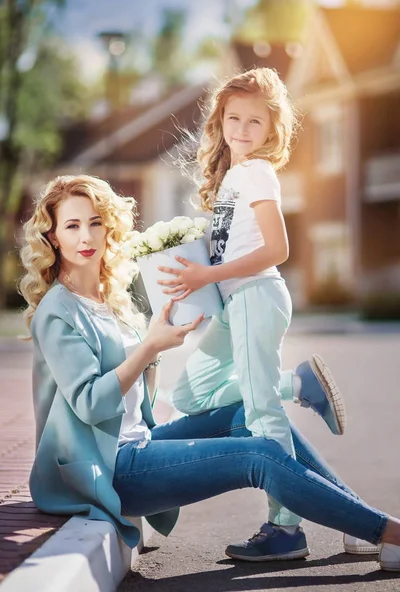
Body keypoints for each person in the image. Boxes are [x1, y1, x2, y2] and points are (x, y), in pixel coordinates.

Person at [18, 174, 400, 572]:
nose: (87, 236)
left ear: (108, 227)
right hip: (107, 468)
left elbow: (136, 400)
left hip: (136, 443)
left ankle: (359, 523)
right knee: (261, 455)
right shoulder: (57, 312)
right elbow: (91, 404)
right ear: (54, 237)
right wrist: (149, 346)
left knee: (249, 417)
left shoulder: (107, 299)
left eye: (95, 222)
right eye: (73, 225)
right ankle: (389, 532)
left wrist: (154, 350)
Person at [156, 67, 347, 558]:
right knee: (191, 393)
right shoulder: (233, 177)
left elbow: (278, 249)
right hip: (234, 303)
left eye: (254, 122)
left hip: (255, 296)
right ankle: (296, 384)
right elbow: (229, 247)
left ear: (272, 130)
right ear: (219, 121)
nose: (240, 129)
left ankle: (287, 530)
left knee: (263, 415)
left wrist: (206, 277)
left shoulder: (258, 172)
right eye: (232, 118)